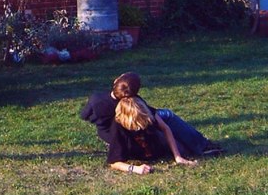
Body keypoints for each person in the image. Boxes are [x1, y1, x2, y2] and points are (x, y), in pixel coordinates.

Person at [80, 72, 222, 173]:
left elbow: (84, 115)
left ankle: (191, 148)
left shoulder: (97, 99)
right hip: (133, 134)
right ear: (133, 93)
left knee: (164, 127)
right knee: (167, 115)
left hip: (110, 134)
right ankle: (202, 145)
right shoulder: (136, 106)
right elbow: (161, 125)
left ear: (115, 83)